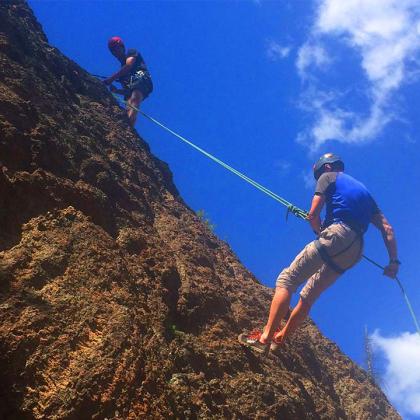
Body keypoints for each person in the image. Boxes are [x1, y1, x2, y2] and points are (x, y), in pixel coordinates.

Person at [238, 153, 400, 354]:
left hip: (336, 234)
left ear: (327, 167)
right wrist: (393, 262)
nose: (319, 177)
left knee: (287, 280)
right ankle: (280, 339)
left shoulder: (329, 177)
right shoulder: (366, 194)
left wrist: (319, 230)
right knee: (308, 296)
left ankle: (265, 338)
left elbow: (313, 214)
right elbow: (387, 228)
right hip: (356, 249)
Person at [103, 36, 153, 127]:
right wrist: (116, 91)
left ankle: (129, 127)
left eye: (116, 48)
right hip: (133, 86)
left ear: (122, 46)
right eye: (113, 50)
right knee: (128, 102)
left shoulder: (131, 52)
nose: (115, 52)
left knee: (134, 98)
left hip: (141, 78)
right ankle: (129, 126)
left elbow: (129, 65)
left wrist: (111, 79)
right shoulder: (122, 75)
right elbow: (126, 91)